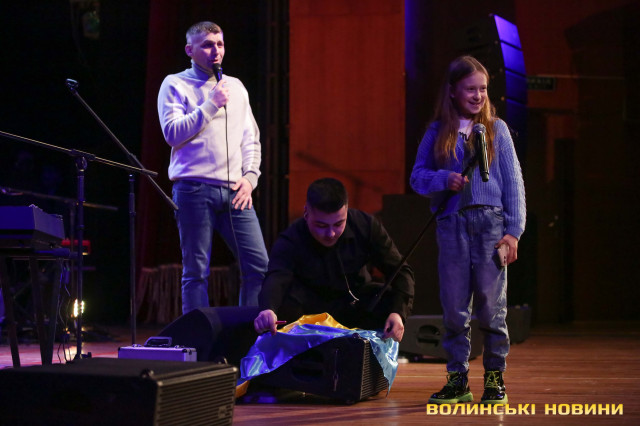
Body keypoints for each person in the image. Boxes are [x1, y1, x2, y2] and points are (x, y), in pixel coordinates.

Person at [410, 56, 526, 405]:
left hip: (490, 226)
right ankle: (457, 379)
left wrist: (513, 232)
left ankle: (494, 378)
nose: (478, 96)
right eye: (470, 89)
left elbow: (514, 184)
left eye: (483, 89)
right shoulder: (437, 132)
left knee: (492, 307)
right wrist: (443, 178)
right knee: (455, 308)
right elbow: (417, 177)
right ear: (452, 91)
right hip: (452, 227)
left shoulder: (496, 130)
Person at [157, 21, 268, 312]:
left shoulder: (236, 87)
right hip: (194, 189)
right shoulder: (175, 83)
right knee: (196, 273)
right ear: (189, 50)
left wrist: (250, 178)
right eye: (207, 45)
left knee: (258, 266)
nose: (215, 51)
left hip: (235, 192)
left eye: (219, 44)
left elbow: (250, 139)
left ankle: (248, 333)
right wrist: (211, 104)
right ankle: (197, 338)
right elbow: (172, 133)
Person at [254, 177, 415, 342]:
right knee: (282, 305)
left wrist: (398, 313)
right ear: (306, 213)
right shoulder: (290, 238)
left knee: (391, 299)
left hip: (355, 303)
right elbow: (276, 278)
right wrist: (268, 309)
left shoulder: (365, 225)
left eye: (338, 224)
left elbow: (401, 271)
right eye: (321, 226)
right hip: (309, 311)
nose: (330, 234)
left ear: (346, 211)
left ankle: (370, 352)